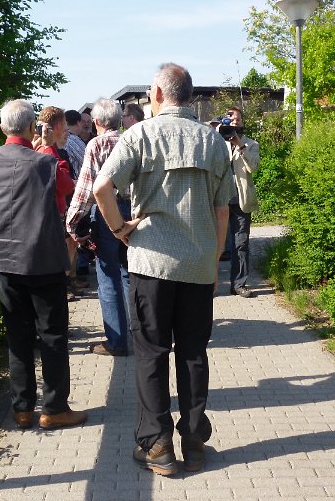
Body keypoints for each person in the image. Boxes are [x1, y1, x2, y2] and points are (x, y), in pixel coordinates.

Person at [93, 63, 232, 476]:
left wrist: (119, 229)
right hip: (198, 264)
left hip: (151, 262)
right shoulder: (214, 141)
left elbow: (102, 188)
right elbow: (222, 211)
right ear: (189, 96)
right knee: (193, 353)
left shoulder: (139, 135)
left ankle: (157, 445)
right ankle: (194, 440)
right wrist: (213, 264)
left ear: (156, 93)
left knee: (152, 353)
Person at [0, 99, 87, 430]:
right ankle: (54, 408)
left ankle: (22, 408)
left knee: (18, 334)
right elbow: (68, 187)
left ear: (2, 128)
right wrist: (49, 148)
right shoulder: (45, 163)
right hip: (43, 259)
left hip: (4, 259)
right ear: (32, 127)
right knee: (52, 335)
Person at [66, 99, 131, 357]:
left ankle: (117, 342)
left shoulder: (96, 144)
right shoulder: (132, 140)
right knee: (130, 273)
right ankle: (140, 333)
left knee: (108, 276)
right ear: (119, 119)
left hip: (106, 212)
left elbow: (86, 188)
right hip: (134, 212)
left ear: (96, 122)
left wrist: (72, 222)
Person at [36, 107, 79, 295]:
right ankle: (62, 285)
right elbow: (63, 184)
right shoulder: (46, 150)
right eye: (65, 125)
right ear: (60, 124)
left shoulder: (38, 147)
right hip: (52, 214)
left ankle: (64, 283)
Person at [223, 107, 260, 298]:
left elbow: (253, 167)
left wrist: (240, 146)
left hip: (240, 201)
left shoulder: (251, 144)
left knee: (241, 243)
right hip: (219, 200)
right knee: (214, 244)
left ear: (243, 121)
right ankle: (208, 285)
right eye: (230, 118)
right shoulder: (216, 142)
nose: (234, 122)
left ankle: (239, 284)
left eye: (237, 119)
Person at [63, 109, 86, 178]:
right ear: (78, 123)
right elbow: (88, 161)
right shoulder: (74, 141)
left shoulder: (60, 139)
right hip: (75, 181)